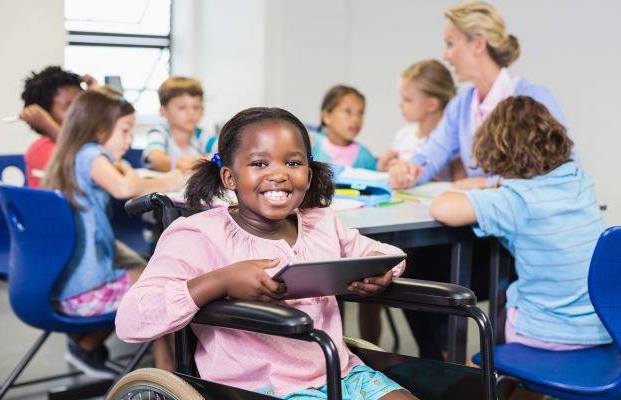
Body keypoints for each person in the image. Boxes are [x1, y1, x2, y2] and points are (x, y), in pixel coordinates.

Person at [115, 107, 417, 400]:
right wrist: (220, 282)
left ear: (309, 176)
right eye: (259, 163)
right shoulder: (200, 235)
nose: (279, 175)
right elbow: (131, 319)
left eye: (293, 163)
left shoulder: (321, 222)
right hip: (258, 387)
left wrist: (381, 271)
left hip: (340, 372)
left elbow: (385, 253)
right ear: (229, 178)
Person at [430, 96, 611, 399]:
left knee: (504, 298)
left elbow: (443, 207)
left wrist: (489, 184)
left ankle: (496, 385)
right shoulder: (580, 181)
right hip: (602, 326)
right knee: (513, 290)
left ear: (496, 150)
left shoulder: (516, 200)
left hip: (546, 334)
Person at [42, 86, 185, 379]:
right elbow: (124, 187)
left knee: (148, 277)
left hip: (66, 286)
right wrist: (171, 179)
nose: (130, 140)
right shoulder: (91, 154)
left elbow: (128, 175)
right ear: (99, 127)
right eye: (124, 131)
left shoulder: (73, 153)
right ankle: (174, 373)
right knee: (158, 289)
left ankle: (163, 369)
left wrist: (122, 165)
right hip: (84, 292)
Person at [388, 1, 581, 190]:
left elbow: (567, 172)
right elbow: (430, 156)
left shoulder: (534, 98)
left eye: (450, 44)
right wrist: (407, 170)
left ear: (478, 44)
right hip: (485, 217)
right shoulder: (461, 106)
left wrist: (490, 183)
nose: (445, 56)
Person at [377, 60, 466, 181]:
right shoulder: (403, 136)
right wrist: (387, 167)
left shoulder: (453, 144)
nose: (399, 103)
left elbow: (460, 186)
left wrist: (415, 175)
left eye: (407, 99)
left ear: (431, 104)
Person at [20, 66, 97, 187]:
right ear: (44, 114)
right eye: (69, 107)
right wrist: (48, 127)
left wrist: (96, 96)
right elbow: (84, 167)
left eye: (81, 104)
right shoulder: (41, 148)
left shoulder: (87, 142)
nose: (80, 112)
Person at [142, 77, 216, 172]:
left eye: (196, 107)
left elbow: (227, 151)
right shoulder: (160, 133)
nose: (190, 112)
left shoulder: (202, 136)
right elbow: (156, 159)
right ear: (164, 111)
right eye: (181, 107)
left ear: (202, 110)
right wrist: (193, 164)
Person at [310, 85, 377, 170]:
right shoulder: (310, 143)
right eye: (347, 111)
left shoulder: (365, 156)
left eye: (360, 113)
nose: (356, 119)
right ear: (327, 117)